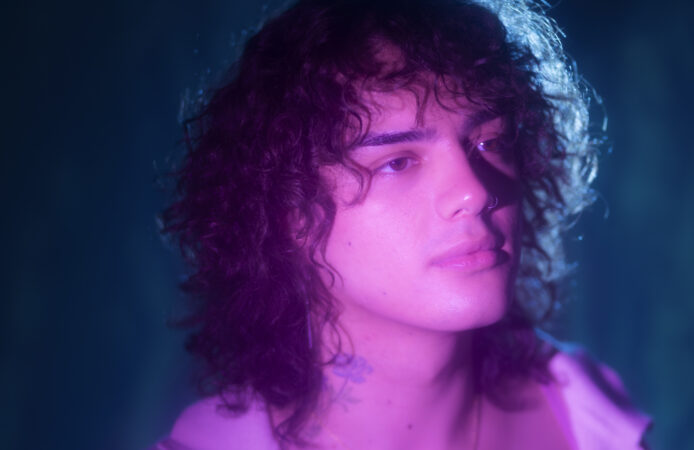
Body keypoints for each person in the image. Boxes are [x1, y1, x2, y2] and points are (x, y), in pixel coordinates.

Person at [156, 0, 650, 448]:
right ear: (288, 214)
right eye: (397, 162)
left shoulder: (588, 414)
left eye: (491, 142)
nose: (475, 192)